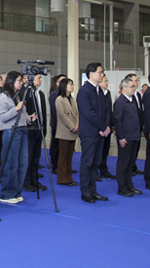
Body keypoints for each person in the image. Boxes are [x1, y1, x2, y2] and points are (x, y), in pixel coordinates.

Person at [77, 63, 111, 204]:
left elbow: (106, 110)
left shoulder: (99, 91)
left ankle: (93, 190)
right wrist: (103, 127)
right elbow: (88, 113)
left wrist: (105, 126)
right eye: (100, 72)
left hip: (99, 132)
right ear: (91, 74)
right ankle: (86, 192)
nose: (102, 75)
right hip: (89, 133)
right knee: (88, 162)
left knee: (96, 162)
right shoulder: (84, 91)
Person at [0, 71, 33, 204]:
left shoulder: (18, 96)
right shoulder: (4, 97)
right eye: (19, 80)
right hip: (11, 131)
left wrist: (29, 118)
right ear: (11, 82)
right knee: (11, 163)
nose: (21, 83)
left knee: (22, 163)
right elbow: (2, 117)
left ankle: (16, 191)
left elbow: (22, 116)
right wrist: (16, 109)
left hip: (22, 130)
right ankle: (7, 193)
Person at [113, 77, 143, 197]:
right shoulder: (120, 102)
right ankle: (122, 187)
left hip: (134, 136)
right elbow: (118, 121)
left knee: (131, 163)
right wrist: (121, 137)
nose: (134, 88)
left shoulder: (133, 101)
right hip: (126, 137)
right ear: (124, 88)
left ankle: (129, 184)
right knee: (123, 163)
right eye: (131, 86)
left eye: (134, 86)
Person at [23, 73, 47, 192]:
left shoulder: (40, 94)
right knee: (29, 157)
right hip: (29, 130)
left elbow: (43, 112)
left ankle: (34, 179)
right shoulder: (27, 93)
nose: (41, 80)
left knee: (36, 157)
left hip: (39, 129)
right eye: (38, 78)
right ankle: (26, 181)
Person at [54, 78, 79, 186]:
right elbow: (62, 115)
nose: (72, 86)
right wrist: (72, 126)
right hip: (65, 131)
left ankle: (69, 177)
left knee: (70, 156)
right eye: (70, 84)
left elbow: (77, 113)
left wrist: (77, 125)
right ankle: (62, 178)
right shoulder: (59, 99)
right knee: (63, 156)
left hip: (73, 131)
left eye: (72, 84)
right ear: (64, 86)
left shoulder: (72, 99)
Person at [124, 73, 145, 175]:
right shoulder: (126, 97)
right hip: (129, 128)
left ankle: (133, 166)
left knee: (136, 148)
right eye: (135, 81)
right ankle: (128, 168)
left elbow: (140, 110)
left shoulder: (138, 95)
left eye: (137, 81)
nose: (137, 83)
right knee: (129, 150)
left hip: (138, 126)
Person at [98, 77, 116, 180]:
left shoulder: (107, 93)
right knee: (97, 151)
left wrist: (111, 124)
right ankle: (95, 172)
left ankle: (104, 170)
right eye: (105, 81)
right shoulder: (96, 93)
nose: (107, 83)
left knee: (105, 150)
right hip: (100, 127)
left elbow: (109, 110)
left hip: (108, 127)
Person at [49, 74, 66, 174]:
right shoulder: (54, 95)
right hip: (57, 124)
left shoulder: (66, 95)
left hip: (66, 126)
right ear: (58, 83)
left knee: (64, 147)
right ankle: (55, 166)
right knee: (56, 146)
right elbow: (55, 112)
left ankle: (63, 166)